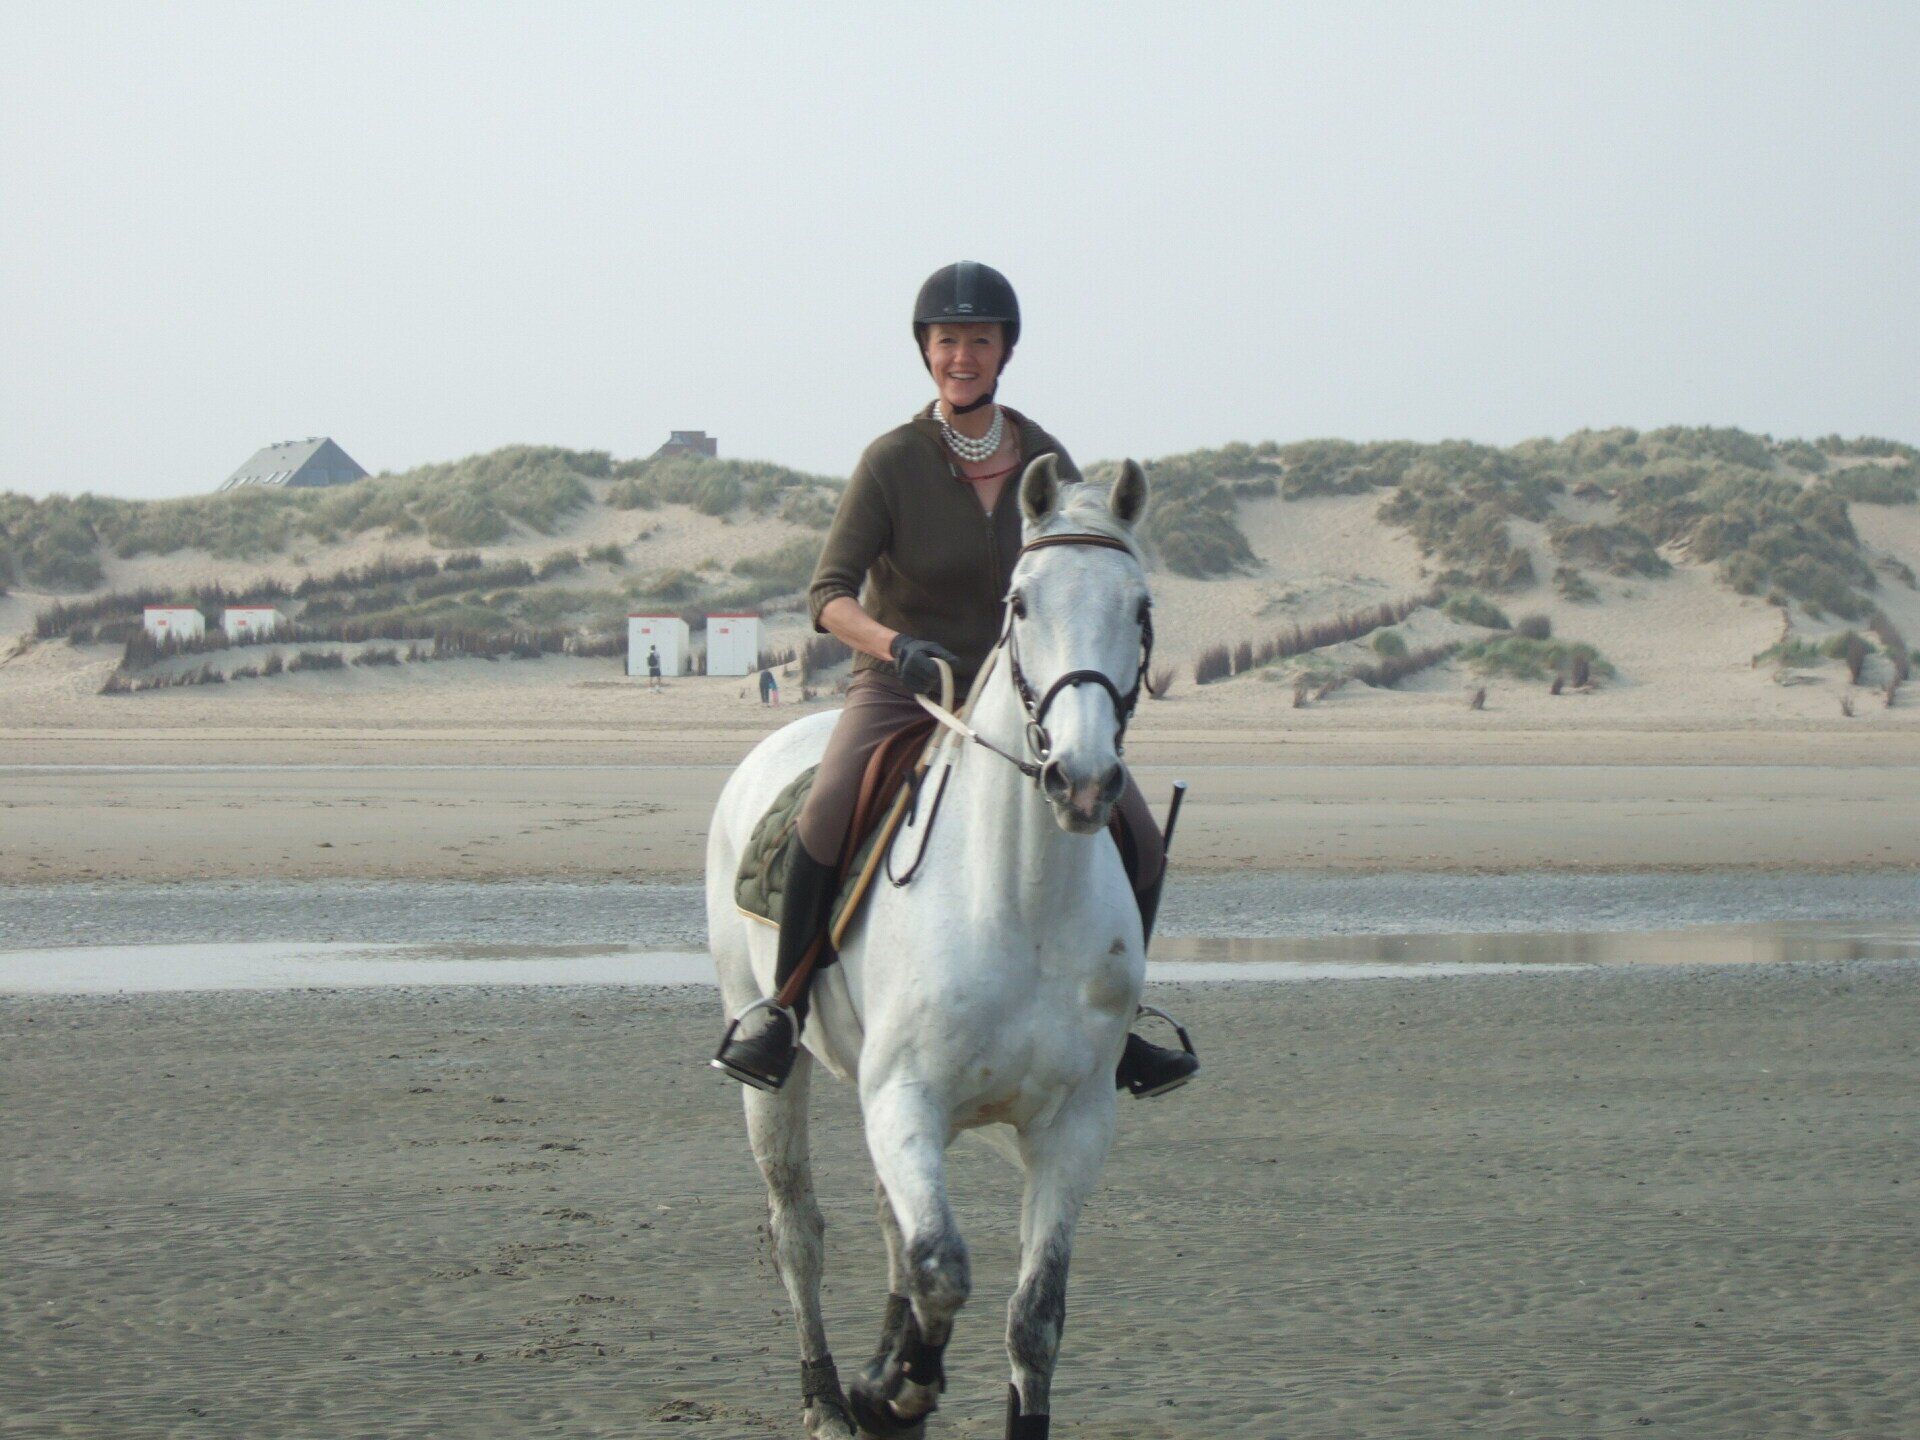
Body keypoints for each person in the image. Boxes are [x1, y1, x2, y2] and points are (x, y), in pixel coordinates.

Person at [713, 262, 1198, 1098]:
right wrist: (893, 643)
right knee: (827, 812)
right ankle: (784, 1009)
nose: (963, 356)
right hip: (905, 687)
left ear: (1005, 350)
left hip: (1021, 696)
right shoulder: (892, 461)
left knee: (1142, 841)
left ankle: (1119, 1027)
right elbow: (827, 595)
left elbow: (1082, 572)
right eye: (948, 342)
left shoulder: (1045, 456)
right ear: (926, 352)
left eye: (980, 340)